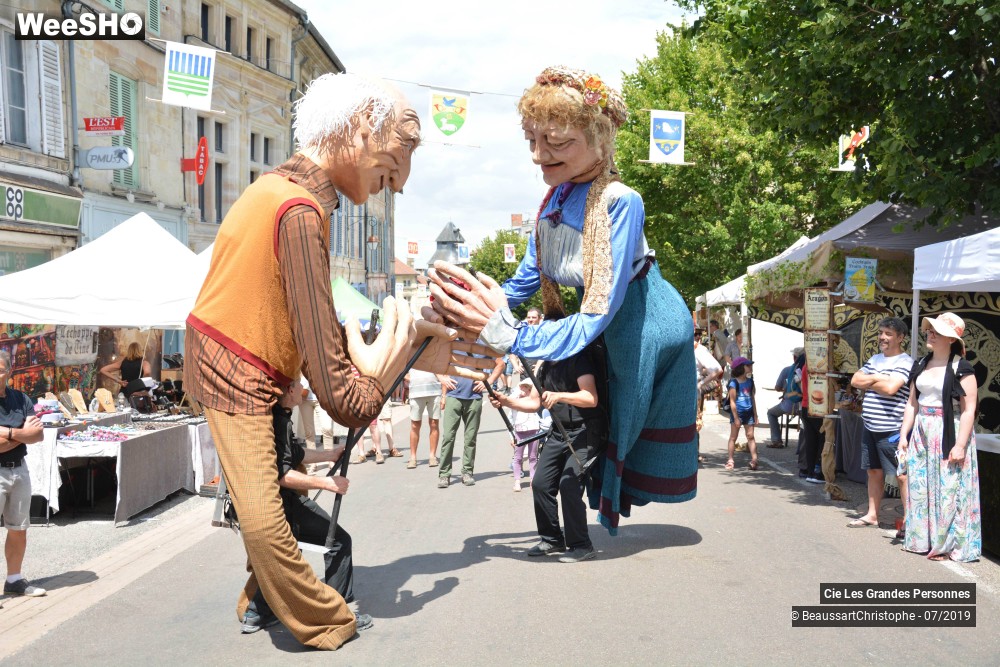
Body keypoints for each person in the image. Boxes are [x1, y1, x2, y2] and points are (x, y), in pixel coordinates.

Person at [184, 72, 474, 650]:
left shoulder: (281, 193)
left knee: (265, 501)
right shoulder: (297, 211)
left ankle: (255, 601)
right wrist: (396, 360)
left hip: (249, 366)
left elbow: (297, 323)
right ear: (361, 131)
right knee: (266, 517)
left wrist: (405, 353)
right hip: (234, 368)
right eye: (392, 164)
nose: (398, 185)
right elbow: (343, 393)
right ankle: (325, 618)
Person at [426, 66, 697, 533]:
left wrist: (506, 333)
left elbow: (597, 310)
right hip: (604, 324)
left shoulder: (619, 200)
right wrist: (458, 306)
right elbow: (521, 285)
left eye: (556, 142)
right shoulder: (550, 204)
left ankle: (593, 515)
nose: (538, 155)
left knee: (622, 425)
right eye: (532, 140)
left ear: (598, 137)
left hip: (641, 322)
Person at [241, 378, 360, 633]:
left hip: (268, 502)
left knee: (286, 551)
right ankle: (339, 613)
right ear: (291, 391)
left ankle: (257, 613)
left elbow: (295, 454)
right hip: (279, 503)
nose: (304, 390)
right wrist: (327, 483)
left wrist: (330, 454)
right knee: (338, 541)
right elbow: (283, 474)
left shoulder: (276, 415)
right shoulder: (279, 421)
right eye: (299, 385)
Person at [490, 339, 608, 562]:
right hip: (558, 432)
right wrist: (506, 401)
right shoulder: (544, 367)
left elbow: (590, 398)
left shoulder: (578, 361)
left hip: (586, 432)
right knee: (541, 484)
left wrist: (560, 396)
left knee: (569, 484)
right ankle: (552, 539)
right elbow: (535, 403)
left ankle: (582, 545)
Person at [899, 312, 980, 562]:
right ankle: (923, 539)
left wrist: (960, 444)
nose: (929, 334)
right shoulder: (921, 363)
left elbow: (968, 410)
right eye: (930, 330)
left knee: (948, 488)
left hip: (948, 430)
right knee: (921, 485)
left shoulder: (961, 368)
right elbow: (912, 403)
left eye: (936, 331)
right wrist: (904, 434)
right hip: (923, 429)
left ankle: (946, 545)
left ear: (950, 339)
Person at [847, 318, 913, 529]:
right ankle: (872, 514)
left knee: (901, 475)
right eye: (881, 332)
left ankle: (910, 522)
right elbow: (855, 381)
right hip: (870, 426)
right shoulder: (875, 359)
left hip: (892, 429)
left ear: (901, 338)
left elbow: (891, 389)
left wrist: (872, 380)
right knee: (873, 471)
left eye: (889, 334)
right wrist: (879, 377)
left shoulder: (906, 362)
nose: (883, 337)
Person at [0, 351, 46, 597]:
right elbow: (27, 434)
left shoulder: (20, 399)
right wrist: (19, 433)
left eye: (0, 369)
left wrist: (6, 434)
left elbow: (37, 435)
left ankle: (14, 579)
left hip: (19, 469)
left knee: (18, 527)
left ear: (8, 371)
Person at [437, 373, 485, 488]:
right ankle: (444, 474)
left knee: (470, 438)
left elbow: (500, 364)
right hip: (453, 396)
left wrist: (488, 381)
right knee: (448, 437)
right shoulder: (451, 353)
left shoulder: (482, 354)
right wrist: (442, 380)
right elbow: (437, 364)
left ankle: (467, 472)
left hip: (474, 397)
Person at [507, 377, 542, 492]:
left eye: (525, 387)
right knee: (518, 458)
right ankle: (517, 482)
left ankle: (533, 480)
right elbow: (510, 419)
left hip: (533, 430)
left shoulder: (533, 400)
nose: (523, 389)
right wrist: (511, 436)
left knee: (533, 457)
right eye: (521, 387)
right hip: (519, 431)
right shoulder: (515, 400)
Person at [693, 323, 722, 463]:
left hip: (691, 392)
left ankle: (694, 453)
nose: (698, 337)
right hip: (689, 391)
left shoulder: (698, 349)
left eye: (698, 334)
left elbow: (717, 370)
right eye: (695, 334)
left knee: (693, 425)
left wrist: (700, 383)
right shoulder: (694, 349)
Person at [766, 347, 805, 448]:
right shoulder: (807, 370)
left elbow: (777, 387)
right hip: (803, 405)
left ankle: (776, 440)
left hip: (789, 405)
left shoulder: (787, 370)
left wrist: (785, 388)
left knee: (771, 413)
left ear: (794, 357)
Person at [724, 357, 759, 471]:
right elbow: (732, 402)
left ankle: (754, 460)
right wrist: (736, 418)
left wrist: (755, 415)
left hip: (749, 413)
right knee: (733, 437)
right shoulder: (734, 383)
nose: (750, 367)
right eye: (748, 365)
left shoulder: (750, 381)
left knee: (751, 436)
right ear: (741, 368)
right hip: (738, 413)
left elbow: (752, 398)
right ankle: (730, 460)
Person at [405, 369, 441, 469]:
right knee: (415, 425)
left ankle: (432, 456)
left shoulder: (435, 353)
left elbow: (442, 370)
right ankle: (413, 457)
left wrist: (444, 395)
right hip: (416, 392)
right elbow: (399, 368)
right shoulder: (410, 353)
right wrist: (411, 378)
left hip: (434, 391)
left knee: (434, 423)